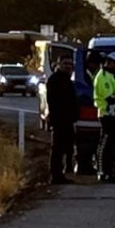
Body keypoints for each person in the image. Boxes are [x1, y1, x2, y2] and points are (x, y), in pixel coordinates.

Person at [45, 56, 79, 184]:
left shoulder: (68, 81)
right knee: (57, 148)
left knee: (67, 147)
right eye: (65, 63)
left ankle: (62, 172)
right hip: (59, 119)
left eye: (70, 64)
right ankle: (55, 175)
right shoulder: (54, 80)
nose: (68, 66)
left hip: (68, 119)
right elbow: (53, 102)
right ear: (58, 64)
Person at [93, 54, 115, 182]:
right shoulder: (103, 76)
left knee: (110, 144)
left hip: (114, 115)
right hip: (106, 114)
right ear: (111, 63)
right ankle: (102, 171)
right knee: (105, 144)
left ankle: (109, 170)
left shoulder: (112, 76)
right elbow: (110, 96)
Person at [75, 52, 105, 175]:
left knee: (87, 143)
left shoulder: (88, 74)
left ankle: (84, 165)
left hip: (90, 115)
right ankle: (83, 166)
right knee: (86, 143)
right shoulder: (87, 76)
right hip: (88, 115)